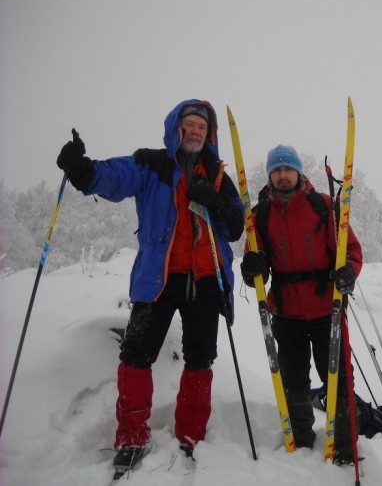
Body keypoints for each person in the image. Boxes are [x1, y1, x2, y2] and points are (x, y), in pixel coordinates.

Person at [56, 100, 245, 469]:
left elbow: (236, 225)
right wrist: (82, 169)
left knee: (200, 359)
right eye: (188, 124)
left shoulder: (218, 174)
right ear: (175, 127)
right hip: (158, 280)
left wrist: (217, 205)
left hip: (207, 281)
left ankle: (191, 437)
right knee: (135, 355)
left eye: (201, 128)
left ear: (209, 135)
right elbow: (114, 177)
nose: (194, 132)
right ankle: (131, 437)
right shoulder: (152, 164)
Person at [239, 145, 363, 465]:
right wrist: (252, 268)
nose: (283, 175)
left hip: (327, 310)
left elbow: (350, 250)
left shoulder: (323, 206)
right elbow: (258, 264)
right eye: (277, 170)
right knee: (293, 378)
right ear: (270, 175)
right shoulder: (259, 216)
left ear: (298, 172)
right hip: (286, 312)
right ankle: (301, 439)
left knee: (338, 378)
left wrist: (348, 271)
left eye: (287, 169)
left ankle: (346, 445)